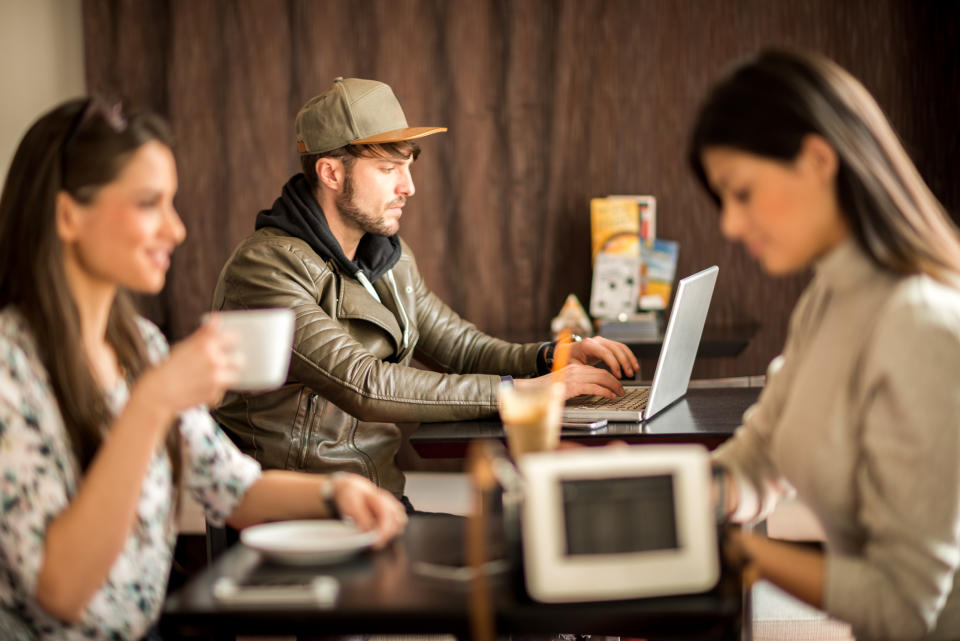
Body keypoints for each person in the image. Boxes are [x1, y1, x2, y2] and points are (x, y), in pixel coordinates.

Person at [0, 96, 407, 641]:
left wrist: (335, 494)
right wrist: (151, 405)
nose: (176, 230)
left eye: (173, 203)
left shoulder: (140, 347)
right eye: (149, 203)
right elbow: (61, 592)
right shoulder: (10, 369)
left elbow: (232, 489)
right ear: (68, 214)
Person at [212, 77, 639, 501]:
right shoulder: (266, 268)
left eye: (408, 167)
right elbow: (364, 384)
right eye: (388, 169)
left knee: (520, 544)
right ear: (331, 173)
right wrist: (521, 393)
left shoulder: (387, 258)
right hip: (302, 515)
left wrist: (552, 357)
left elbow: (464, 349)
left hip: (379, 503)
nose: (408, 187)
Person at [690, 49, 960, 640]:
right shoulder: (828, 297)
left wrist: (741, 554)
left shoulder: (921, 325)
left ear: (817, 159)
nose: (730, 227)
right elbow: (761, 456)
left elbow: (907, 608)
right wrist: (658, 496)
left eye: (741, 193)